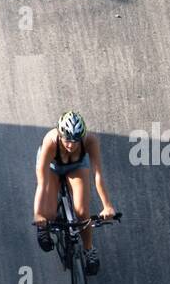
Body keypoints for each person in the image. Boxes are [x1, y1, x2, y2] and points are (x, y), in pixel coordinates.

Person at [32, 110, 118, 275]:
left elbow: (98, 175)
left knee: (82, 212)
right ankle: (43, 228)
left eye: (75, 140)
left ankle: (88, 249)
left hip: (76, 167)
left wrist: (107, 206)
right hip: (52, 167)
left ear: (82, 136)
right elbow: (42, 183)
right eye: (67, 139)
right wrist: (38, 214)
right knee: (48, 214)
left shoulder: (90, 141)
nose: (71, 145)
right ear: (60, 134)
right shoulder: (50, 142)